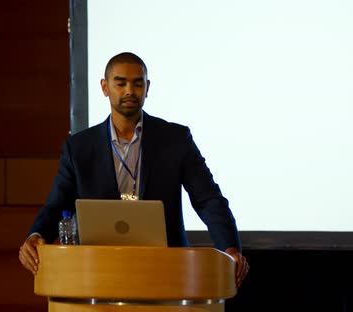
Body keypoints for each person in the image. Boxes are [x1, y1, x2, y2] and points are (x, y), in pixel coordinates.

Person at [19, 52, 249, 287]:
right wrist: (37, 234)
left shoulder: (176, 139)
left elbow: (208, 199)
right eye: (120, 83)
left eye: (138, 83)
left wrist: (229, 247)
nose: (130, 90)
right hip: (98, 272)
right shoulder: (79, 148)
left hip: (167, 270)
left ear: (147, 87)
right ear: (104, 87)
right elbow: (58, 203)